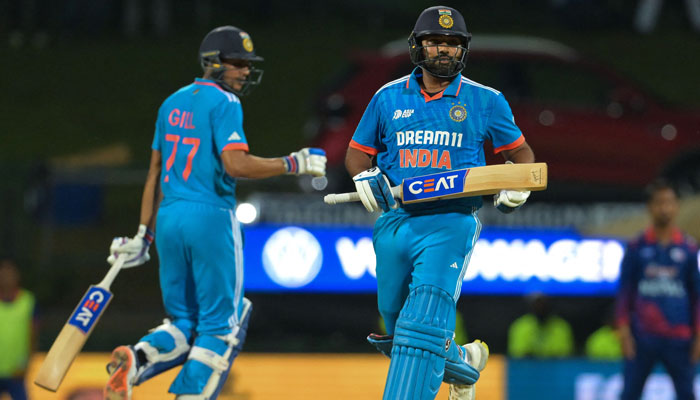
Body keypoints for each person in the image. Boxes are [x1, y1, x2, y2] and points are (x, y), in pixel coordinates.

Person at [103, 25, 326, 400]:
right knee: (223, 326)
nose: (243, 71)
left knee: (182, 323)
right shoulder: (225, 103)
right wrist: (293, 163)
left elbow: (155, 174)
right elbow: (235, 165)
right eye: (236, 62)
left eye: (246, 64)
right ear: (213, 63)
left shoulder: (170, 102)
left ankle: (137, 359)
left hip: (170, 218)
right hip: (210, 216)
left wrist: (144, 233)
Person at [344, 6, 535, 400]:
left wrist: (518, 186)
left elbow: (522, 156)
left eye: (453, 43)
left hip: (451, 220)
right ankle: (463, 366)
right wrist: (364, 175)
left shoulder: (486, 100)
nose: (444, 50)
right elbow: (356, 153)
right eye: (436, 42)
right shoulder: (387, 97)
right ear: (418, 46)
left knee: (422, 322)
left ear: (463, 49)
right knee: (399, 329)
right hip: (396, 219)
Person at [616, 180, 700, 400]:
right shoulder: (636, 247)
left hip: (680, 336)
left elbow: (696, 296)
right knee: (629, 394)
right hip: (642, 336)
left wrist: (699, 337)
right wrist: (624, 333)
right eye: (659, 202)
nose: (665, 208)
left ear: (676, 207)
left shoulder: (689, 249)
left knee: (687, 394)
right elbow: (625, 293)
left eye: (670, 202)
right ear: (650, 207)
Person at [0, 258, 38, 400]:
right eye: (3, 274)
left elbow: (33, 334)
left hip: (16, 372)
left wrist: (27, 363)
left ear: (17, 276)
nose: (6, 278)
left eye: (10, 274)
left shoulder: (27, 300)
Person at [507, 293, 574, 359]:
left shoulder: (561, 327)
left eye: (543, 305)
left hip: (555, 368)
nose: (540, 308)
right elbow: (518, 356)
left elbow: (564, 356)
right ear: (531, 306)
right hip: (527, 368)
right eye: (537, 305)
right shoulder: (520, 326)